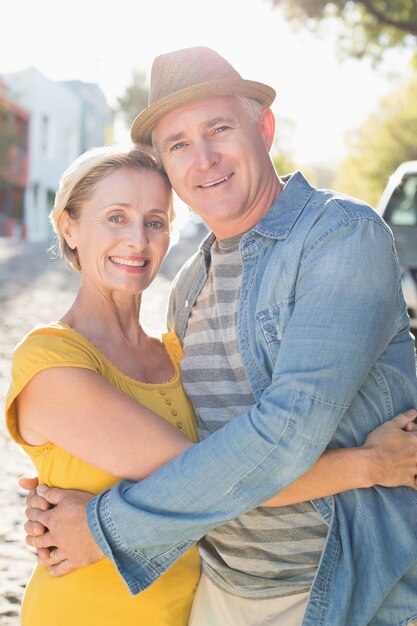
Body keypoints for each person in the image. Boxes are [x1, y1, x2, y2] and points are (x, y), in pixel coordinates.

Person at [21, 47, 417, 626]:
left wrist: (104, 527)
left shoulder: (339, 236)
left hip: (331, 592)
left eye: (219, 129)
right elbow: (192, 453)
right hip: (214, 594)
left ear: (264, 127)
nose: (202, 159)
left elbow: (285, 434)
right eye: (178, 143)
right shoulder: (190, 284)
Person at [6, 144, 203, 625]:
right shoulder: (50, 361)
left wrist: (98, 521)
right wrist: (366, 465)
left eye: (155, 221)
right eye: (115, 217)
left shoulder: (178, 351)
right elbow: (213, 478)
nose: (137, 239)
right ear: (68, 227)